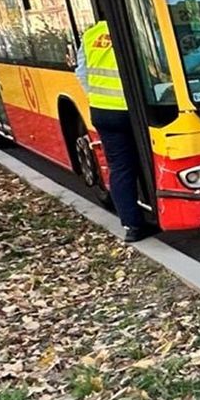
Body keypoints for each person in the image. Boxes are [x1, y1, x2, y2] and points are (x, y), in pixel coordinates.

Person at [75, 20, 153, 242]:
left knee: (119, 168)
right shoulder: (135, 24)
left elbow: (81, 73)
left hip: (102, 111)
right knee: (148, 159)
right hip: (133, 110)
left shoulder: (92, 34)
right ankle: (158, 210)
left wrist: (97, 97)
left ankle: (133, 226)